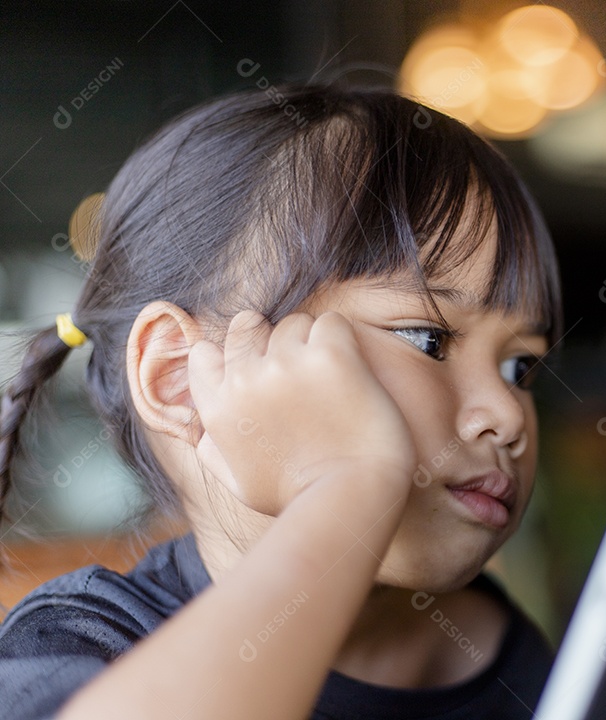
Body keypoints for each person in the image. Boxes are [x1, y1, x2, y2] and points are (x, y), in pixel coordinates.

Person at [0, 82, 562, 720]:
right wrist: (350, 485)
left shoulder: (521, 657)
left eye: (521, 365)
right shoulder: (80, 647)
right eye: (428, 338)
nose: (508, 413)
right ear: (180, 379)